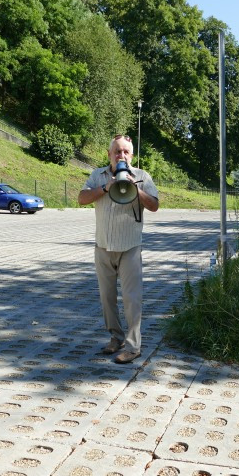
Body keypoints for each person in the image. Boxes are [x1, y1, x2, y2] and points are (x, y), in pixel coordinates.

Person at [78, 134, 159, 364]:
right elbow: (81, 198)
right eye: (117, 151)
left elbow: (154, 205)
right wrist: (105, 187)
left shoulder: (142, 176)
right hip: (103, 246)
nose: (121, 155)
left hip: (130, 246)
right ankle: (116, 338)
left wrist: (136, 189)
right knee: (107, 297)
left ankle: (134, 347)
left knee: (132, 298)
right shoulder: (97, 175)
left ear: (131, 155)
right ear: (109, 154)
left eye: (125, 151)